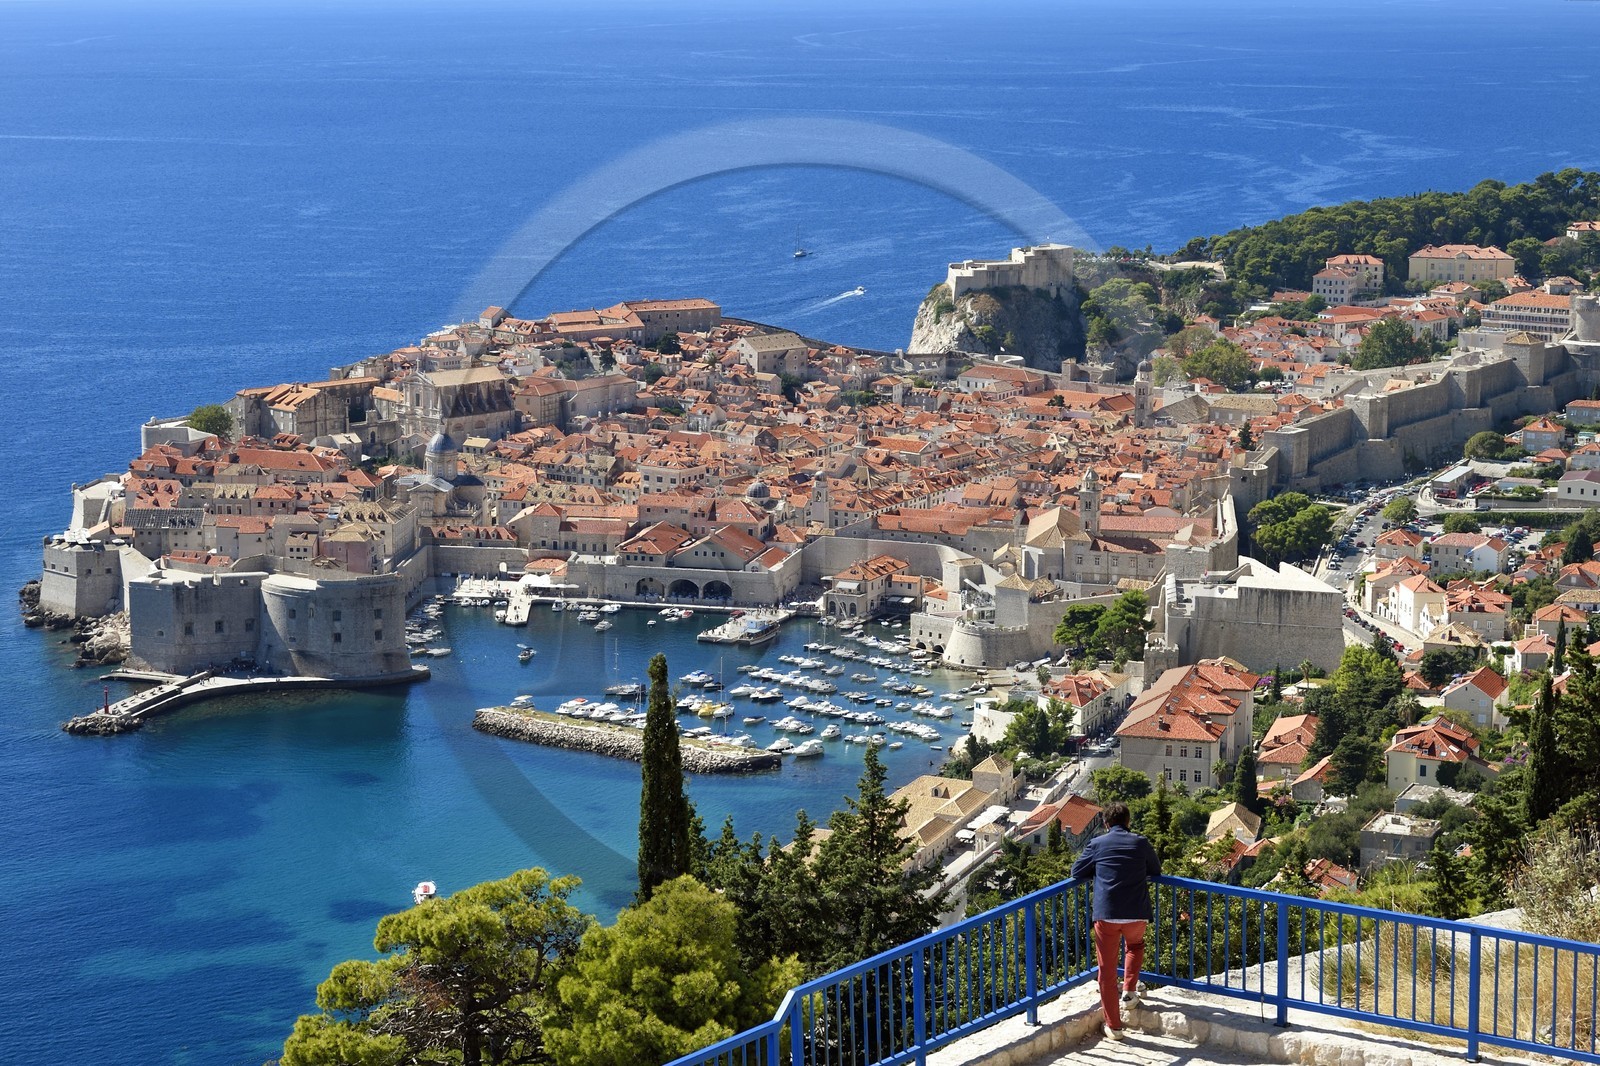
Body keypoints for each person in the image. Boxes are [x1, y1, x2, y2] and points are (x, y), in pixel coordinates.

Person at [1069, 800, 1161, 1040]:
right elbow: (1156, 870)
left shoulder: (1097, 844)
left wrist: (1099, 872)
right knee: (1135, 946)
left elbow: (1076, 872)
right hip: (1136, 913)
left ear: (1105, 823)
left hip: (1107, 914)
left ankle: (1115, 1027)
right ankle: (1130, 993)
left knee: (1107, 971)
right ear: (1128, 822)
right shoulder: (1141, 842)